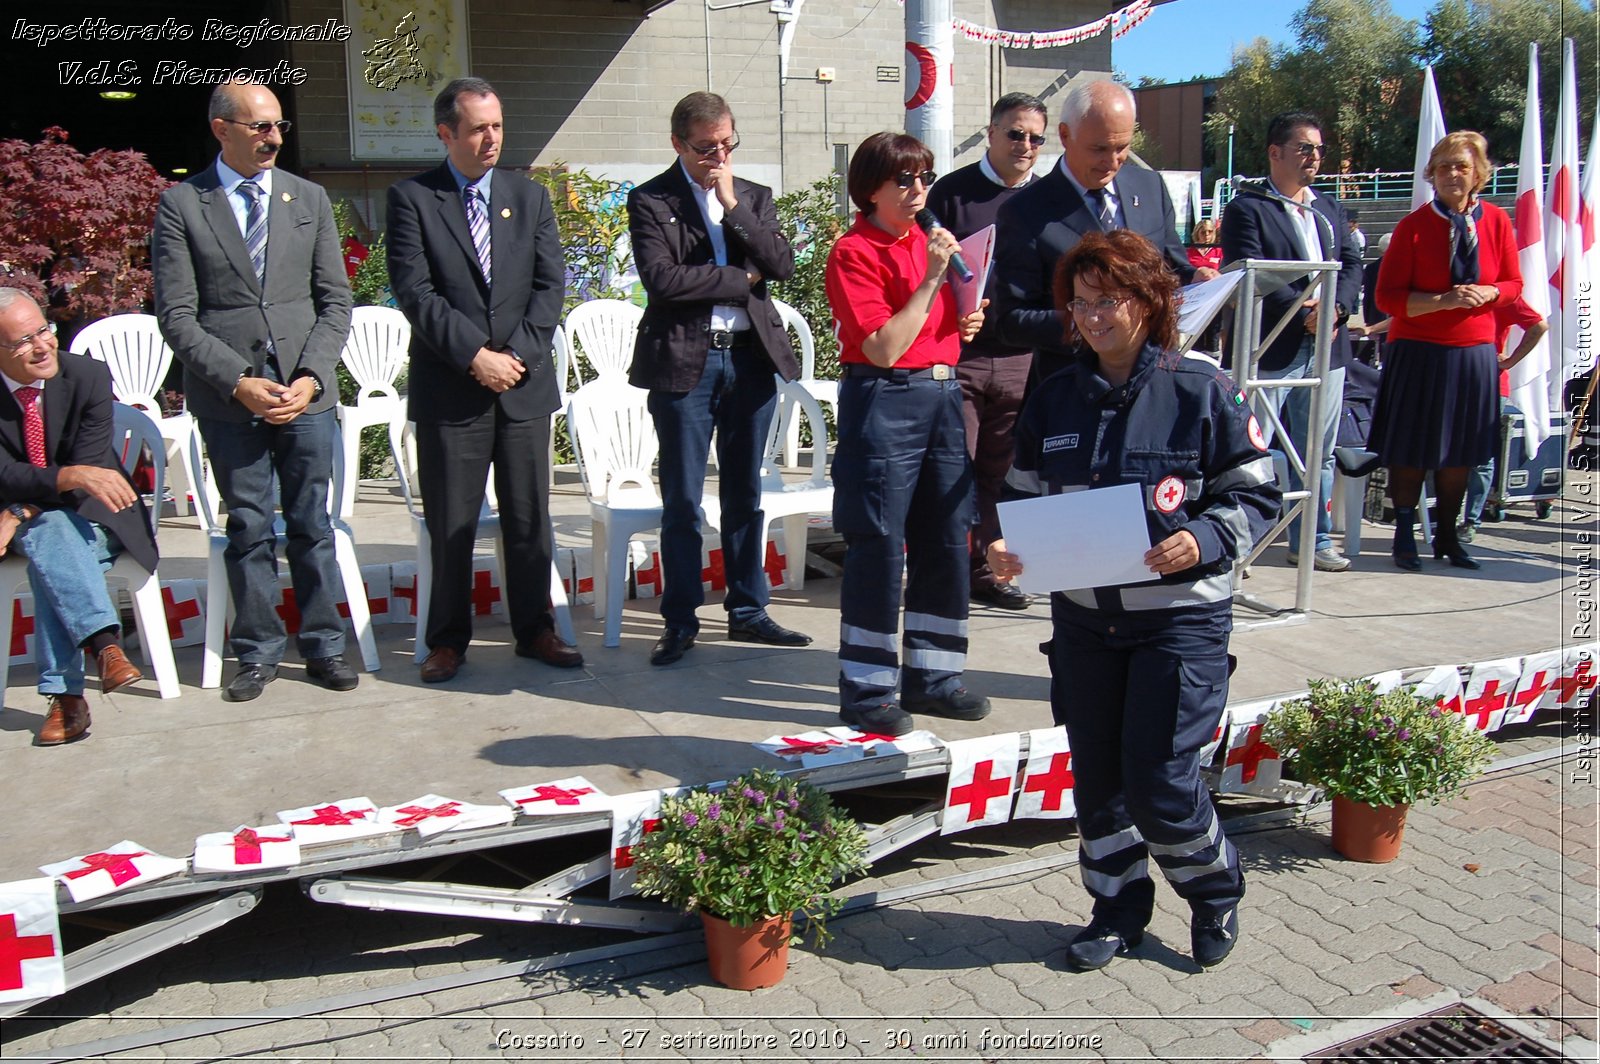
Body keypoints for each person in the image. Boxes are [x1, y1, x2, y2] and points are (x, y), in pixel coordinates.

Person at [986, 230, 1279, 972]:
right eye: (1080, 303)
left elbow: (1259, 494)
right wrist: (1003, 550)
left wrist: (1205, 538)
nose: (1092, 317)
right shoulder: (1056, 397)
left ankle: (1213, 891)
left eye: (1108, 300)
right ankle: (1116, 910)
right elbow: (1021, 502)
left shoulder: (1203, 390)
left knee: (1160, 785)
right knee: (1100, 788)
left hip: (1176, 629)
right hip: (1085, 627)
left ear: (1150, 302)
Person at [153, 78, 357, 702]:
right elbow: (177, 317)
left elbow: (335, 300)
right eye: (258, 127)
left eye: (278, 128)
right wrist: (237, 382)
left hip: (304, 394)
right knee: (247, 525)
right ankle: (259, 651)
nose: (272, 138)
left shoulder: (309, 199)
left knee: (311, 523)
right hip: (230, 397)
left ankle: (323, 645)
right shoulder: (183, 204)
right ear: (221, 129)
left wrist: (313, 375)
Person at [387, 77, 583, 682]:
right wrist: (476, 356)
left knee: (529, 520)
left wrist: (514, 357)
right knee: (453, 524)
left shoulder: (530, 197)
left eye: (497, 125)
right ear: (447, 133)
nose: (492, 137)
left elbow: (550, 286)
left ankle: (537, 630)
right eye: (478, 128)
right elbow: (416, 293)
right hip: (454, 389)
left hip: (521, 386)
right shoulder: (413, 199)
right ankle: (447, 640)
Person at [626, 92, 808, 667]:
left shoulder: (751, 196)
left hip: (749, 359)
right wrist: (738, 277)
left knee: (744, 493)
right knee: (682, 499)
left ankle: (748, 610)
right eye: (707, 148)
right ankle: (680, 619)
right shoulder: (652, 199)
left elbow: (780, 266)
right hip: (686, 361)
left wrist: (732, 204)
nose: (719, 156)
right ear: (679, 143)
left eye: (728, 144)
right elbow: (663, 281)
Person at [826, 132, 989, 736]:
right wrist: (931, 282)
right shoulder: (854, 251)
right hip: (885, 397)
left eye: (924, 177)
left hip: (944, 393)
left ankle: (936, 676)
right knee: (878, 542)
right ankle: (867, 689)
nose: (919, 190)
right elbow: (885, 346)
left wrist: (965, 316)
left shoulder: (930, 241)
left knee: (947, 537)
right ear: (872, 188)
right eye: (905, 180)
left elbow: (939, 330)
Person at [0, 290, 152, 745]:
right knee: (53, 536)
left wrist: (17, 510)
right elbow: (4, 472)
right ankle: (104, 645)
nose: (43, 346)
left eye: (44, 330)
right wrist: (37, 496)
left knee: (52, 536)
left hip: (98, 518)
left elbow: (87, 473)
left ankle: (67, 698)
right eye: (23, 342)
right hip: (31, 528)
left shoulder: (87, 375)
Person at [993, 79, 1217, 386]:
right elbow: (1012, 321)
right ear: (1065, 135)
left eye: (1121, 148)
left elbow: (1172, 268)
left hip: (1153, 382)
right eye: (1099, 149)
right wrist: (1094, 322)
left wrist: (1196, 279)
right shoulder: (1025, 211)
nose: (1111, 162)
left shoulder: (1150, 188)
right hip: (1073, 389)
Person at [1219, 111, 1363, 573]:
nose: (1315, 157)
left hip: (1328, 349)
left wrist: (1335, 310)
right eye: (1305, 148)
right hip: (1271, 350)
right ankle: (1245, 540)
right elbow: (1248, 267)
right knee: (1254, 450)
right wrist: (1304, 311)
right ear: (1275, 153)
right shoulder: (1248, 206)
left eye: (1319, 149)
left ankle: (1312, 540)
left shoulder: (1327, 208)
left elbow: (1352, 264)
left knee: (1315, 453)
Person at [1372, 131, 1522, 571]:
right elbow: (1387, 298)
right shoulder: (1412, 226)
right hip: (1418, 351)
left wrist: (1488, 292)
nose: (1452, 174)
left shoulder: (1496, 221)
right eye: (1443, 167)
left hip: (1473, 352)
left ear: (1478, 174)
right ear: (1431, 175)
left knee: (1462, 451)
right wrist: (1443, 302)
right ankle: (1403, 534)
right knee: (1411, 449)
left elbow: (1514, 286)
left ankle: (1448, 535)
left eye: (1461, 166)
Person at [925, 92, 1048, 613]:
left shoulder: (1048, 198)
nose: (1025, 145)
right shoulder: (952, 193)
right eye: (1016, 133)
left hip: (1023, 356)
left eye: (1036, 138)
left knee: (1004, 469)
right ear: (992, 132)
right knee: (956, 466)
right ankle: (945, 569)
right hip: (963, 355)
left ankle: (989, 571)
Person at [1459, 297, 1547, 541]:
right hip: (1453, 377)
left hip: (1491, 384)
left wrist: (1509, 362)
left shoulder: (1504, 297)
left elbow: (1538, 325)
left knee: (1481, 456)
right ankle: (1446, 515)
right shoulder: (1456, 290)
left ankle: (1470, 521)